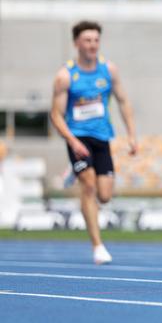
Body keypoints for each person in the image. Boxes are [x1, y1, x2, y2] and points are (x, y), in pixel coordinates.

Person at [50, 20, 138, 264]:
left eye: (96, 40)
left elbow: (123, 101)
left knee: (105, 195)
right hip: (77, 137)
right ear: (76, 43)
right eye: (87, 40)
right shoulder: (65, 76)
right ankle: (98, 246)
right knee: (88, 186)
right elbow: (55, 115)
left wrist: (131, 134)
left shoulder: (108, 70)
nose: (92, 45)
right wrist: (71, 140)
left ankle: (74, 172)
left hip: (102, 137)